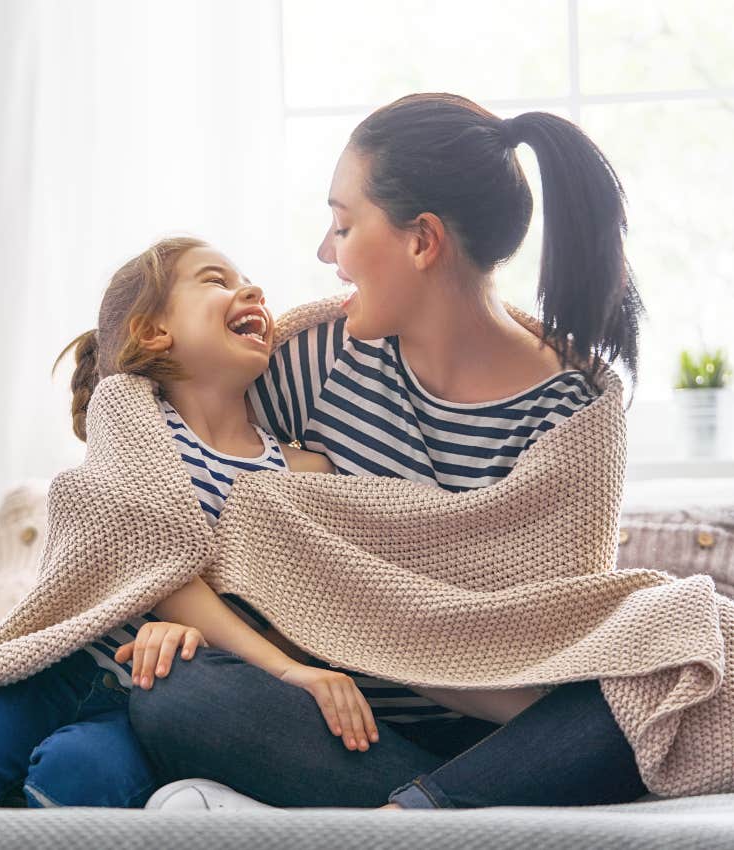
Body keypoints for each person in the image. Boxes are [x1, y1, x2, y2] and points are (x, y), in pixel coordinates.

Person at [126, 92, 650, 811]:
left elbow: (548, 655)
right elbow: (171, 478)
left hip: (506, 741)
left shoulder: (576, 414)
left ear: (421, 241)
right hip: (342, 729)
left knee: (673, 677)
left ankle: (410, 817)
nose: (324, 252)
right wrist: (183, 615)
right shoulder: (317, 359)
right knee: (178, 697)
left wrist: (372, 621)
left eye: (343, 225)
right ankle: (431, 815)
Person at [0, 236, 387, 808]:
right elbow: (149, 554)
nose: (252, 290)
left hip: (148, 700)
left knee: (78, 778)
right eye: (216, 280)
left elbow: (304, 606)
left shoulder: (302, 470)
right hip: (61, 670)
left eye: (245, 280)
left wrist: (224, 651)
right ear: (153, 332)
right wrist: (279, 667)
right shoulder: (127, 415)